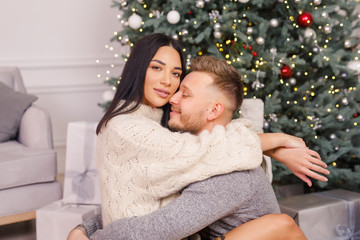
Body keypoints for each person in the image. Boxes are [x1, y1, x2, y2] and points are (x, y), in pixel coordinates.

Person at [68, 33, 328, 239]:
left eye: (181, 85)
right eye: (156, 68)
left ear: (214, 109)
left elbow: (156, 227)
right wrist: (85, 229)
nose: (173, 93)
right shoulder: (162, 140)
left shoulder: (225, 172)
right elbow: (139, 193)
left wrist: (90, 235)